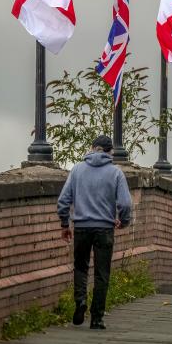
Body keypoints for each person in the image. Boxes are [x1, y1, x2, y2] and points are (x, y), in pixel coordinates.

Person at [57, 134, 133, 330]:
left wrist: (65, 224)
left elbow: (63, 200)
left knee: (81, 267)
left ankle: (80, 301)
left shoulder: (77, 170)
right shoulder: (116, 173)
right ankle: (97, 318)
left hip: (82, 227)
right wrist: (123, 221)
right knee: (102, 273)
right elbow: (125, 203)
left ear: (92, 148)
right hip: (104, 228)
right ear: (110, 153)